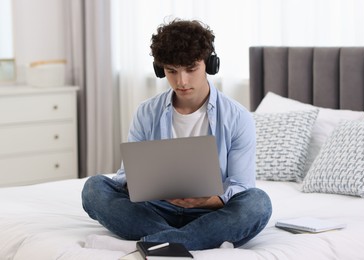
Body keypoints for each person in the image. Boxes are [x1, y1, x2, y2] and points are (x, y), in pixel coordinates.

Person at [82, 18, 272, 251]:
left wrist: (211, 199)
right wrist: (140, 185)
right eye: (172, 71)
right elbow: (124, 176)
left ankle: (156, 242)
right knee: (94, 188)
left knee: (258, 204)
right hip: (154, 209)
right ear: (160, 70)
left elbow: (242, 185)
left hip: (211, 212)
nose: (181, 81)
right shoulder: (146, 112)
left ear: (210, 64)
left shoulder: (238, 117)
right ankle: (187, 240)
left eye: (191, 69)